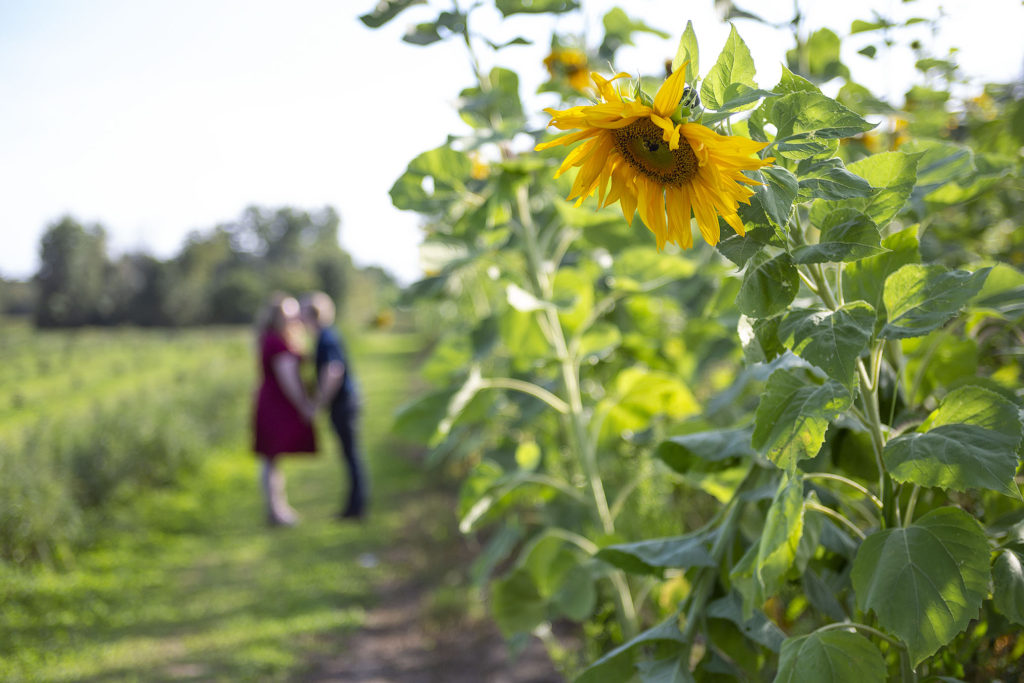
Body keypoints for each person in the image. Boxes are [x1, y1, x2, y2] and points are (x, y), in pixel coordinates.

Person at [300, 291, 367, 520]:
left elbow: (333, 371)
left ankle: (356, 508)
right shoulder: (326, 336)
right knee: (350, 455)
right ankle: (354, 506)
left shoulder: (326, 338)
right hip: (344, 403)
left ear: (311, 315)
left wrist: (318, 403)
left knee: (351, 455)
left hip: (343, 404)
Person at [253, 293, 317, 526]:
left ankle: (277, 508)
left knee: (272, 460)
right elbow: (288, 378)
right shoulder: (277, 342)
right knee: (271, 460)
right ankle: (276, 511)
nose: (296, 319)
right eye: (291, 315)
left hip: (270, 402)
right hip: (275, 406)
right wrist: (304, 405)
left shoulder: (270, 338)